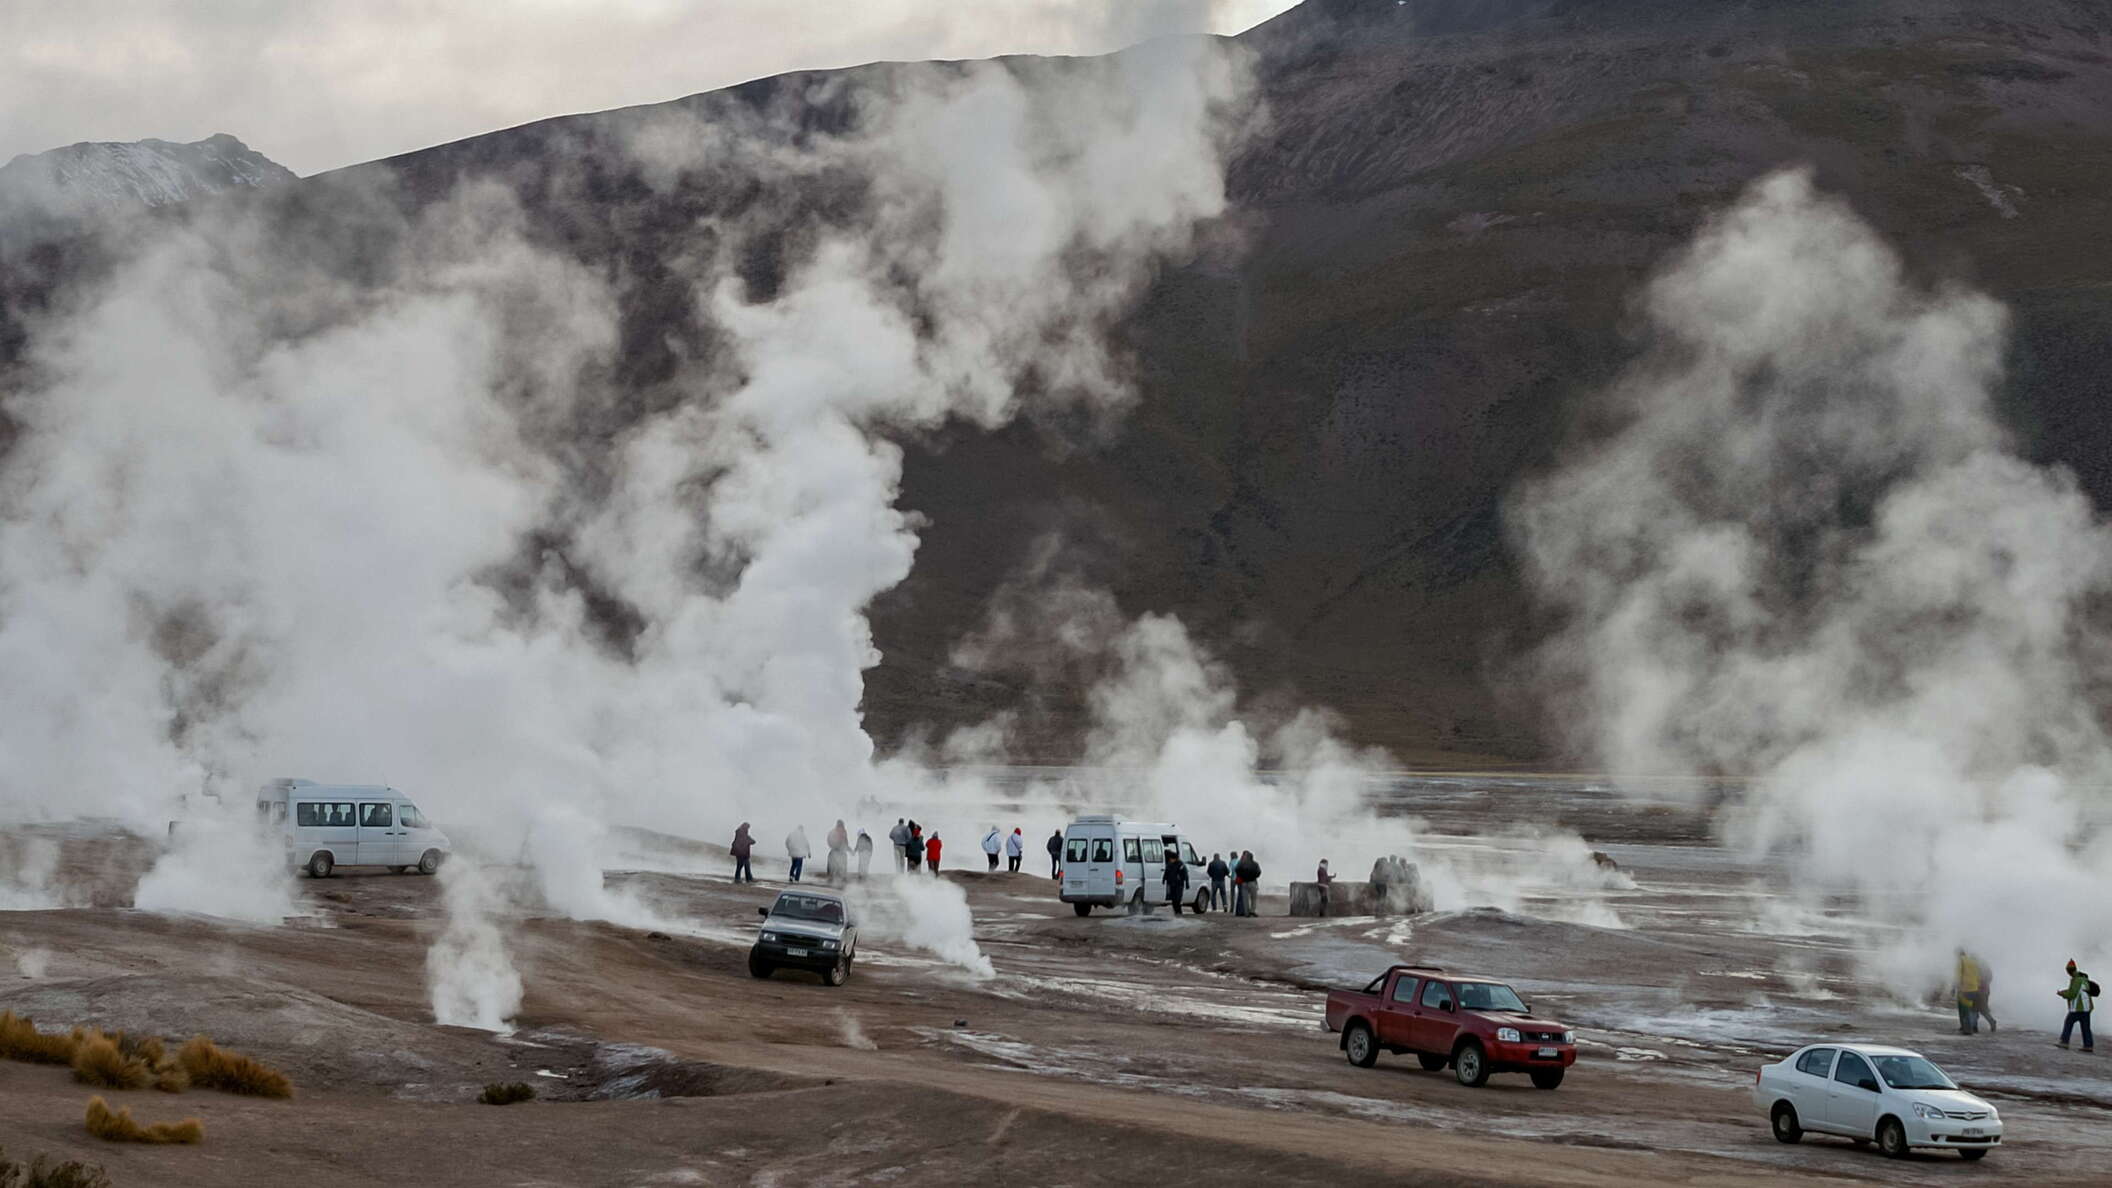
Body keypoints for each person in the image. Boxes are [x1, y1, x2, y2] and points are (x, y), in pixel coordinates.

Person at [2057, 959, 2096, 1053]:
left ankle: (2064, 1042)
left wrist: (2062, 994)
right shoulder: (2083, 979)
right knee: (2085, 1027)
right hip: (2087, 1008)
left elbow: (2072, 994)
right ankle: (2088, 1045)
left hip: (2078, 1008)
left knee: (2068, 1023)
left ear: (2069, 971)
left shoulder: (2076, 980)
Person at [1955, 948, 1982, 1035]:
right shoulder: (1973, 962)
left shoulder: (1961, 961)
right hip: (1974, 988)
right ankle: (1974, 1026)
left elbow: (1958, 976)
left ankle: (1967, 1030)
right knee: (1972, 1009)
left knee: (1964, 1009)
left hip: (1964, 989)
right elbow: (1979, 975)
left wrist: (1955, 987)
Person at [1234, 850, 1261, 917]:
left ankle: (1246, 913)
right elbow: (1259, 872)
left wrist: (1242, 876)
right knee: (1253, 898)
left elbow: (1236, 870)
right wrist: (1254, 876)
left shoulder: (1242, 863)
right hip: (1252, 882)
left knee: (1245, 899)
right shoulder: (1255, 864)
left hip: (1244, 882)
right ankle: (1252, 911)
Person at [1164, 848, 1190, 915]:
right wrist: (1164, 879)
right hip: (1172, 884)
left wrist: (1187, 883)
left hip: (1179, 884)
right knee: (1173, 899)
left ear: (1175, 858)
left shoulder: (1181, 864)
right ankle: (1176, 912)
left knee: (1178, 899)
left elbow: (1185, 874)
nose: (1170, 860)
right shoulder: (1170, 864)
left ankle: (1179, 912)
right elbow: (1166, 872)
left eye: (1171, 859)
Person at [826, 819, 850, 884]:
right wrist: (849, 849)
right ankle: (842, 878)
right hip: (840, 851)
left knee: (832, 865)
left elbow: (829, 840)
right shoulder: (843, 831)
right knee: (842, 865)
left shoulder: (834, 831)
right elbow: (846, 842)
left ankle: (831, 878)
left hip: (835, 850)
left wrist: (833, 846)